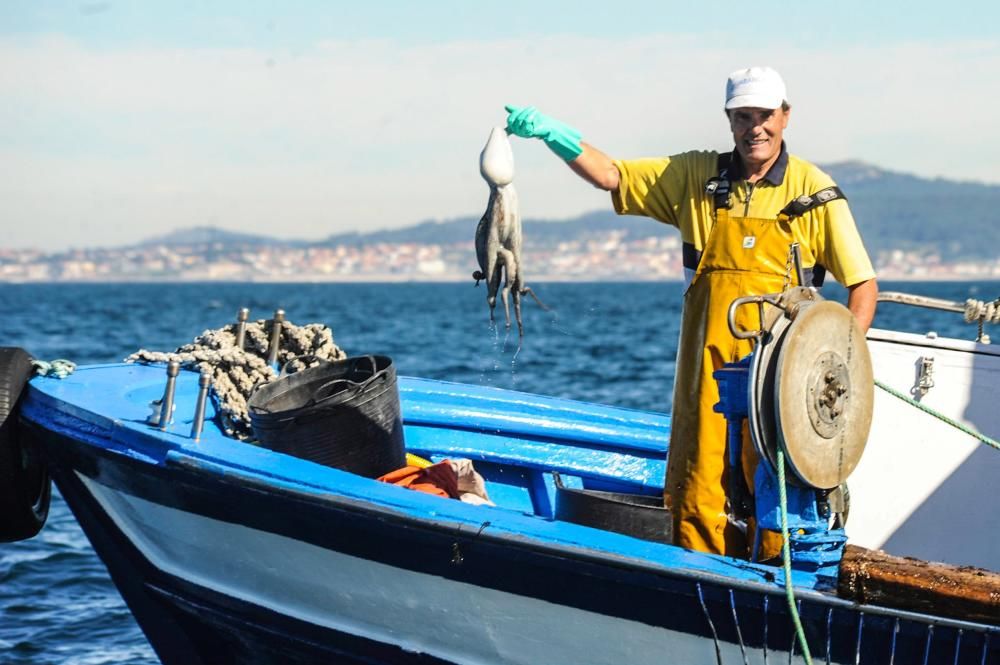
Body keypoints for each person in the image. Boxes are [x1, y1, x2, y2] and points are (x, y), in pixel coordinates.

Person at [505, 66, 878, 559]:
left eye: (765, 115)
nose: (755, 128)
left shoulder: (816, 192)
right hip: (706, 378)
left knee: (778, 491)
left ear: (785, 117)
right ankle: (699, 578)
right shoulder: (695, 177)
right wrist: (555, 136)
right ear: (729, 121)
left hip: (782, 385)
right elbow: (612, 175)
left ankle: (778, 575)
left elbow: (863, 285)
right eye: (743, 116)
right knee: (699, 486)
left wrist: (841, 365)